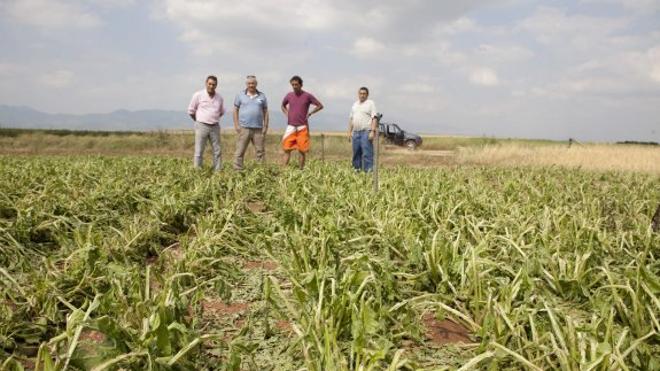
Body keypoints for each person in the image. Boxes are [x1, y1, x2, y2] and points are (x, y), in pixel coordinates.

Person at [281, 75, 323, 169]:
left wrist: (310, 113)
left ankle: (300, 170)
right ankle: (283, 170)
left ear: (301, 85)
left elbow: (320, 105)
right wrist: (287, 114)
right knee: (287, 149)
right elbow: (283, 105)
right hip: (290, 126)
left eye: (296, 84)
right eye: (293, 85)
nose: (294, 86)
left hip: (302, 127)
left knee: (302, 150)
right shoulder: (289, 95)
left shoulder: (307, 96)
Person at [187, 75, 226, 171]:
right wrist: (199, 120)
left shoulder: (219, 98)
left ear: (216, 85)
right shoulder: (198, 95)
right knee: (199, 150)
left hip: (215, 126)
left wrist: (213, 118)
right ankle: (197, 171)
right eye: (210, 84)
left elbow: (221, 112)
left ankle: (218, 171)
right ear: (206, 83)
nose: (211, 86)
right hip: (201, 125)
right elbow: (191, 111)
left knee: (217, 150)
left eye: (214, 84)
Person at [233, 75, 269, 170]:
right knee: (240, 151)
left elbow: (266, 111)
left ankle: (260, 171)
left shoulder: (262, 96)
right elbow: (235, 110)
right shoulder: (240, 95)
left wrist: (265, 126)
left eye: (253, 83)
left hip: (258, 129)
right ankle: (237, 171)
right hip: (244, 128)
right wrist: (236, 125)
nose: (251, 85)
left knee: (260, 152)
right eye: (249, 83)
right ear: (246, 84)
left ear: (256, 84)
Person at [348, 87, 378, 172]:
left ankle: (368, 172)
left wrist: (372, 131)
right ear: (358, 94)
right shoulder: (355, 105)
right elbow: (351, 119)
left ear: (367, 95)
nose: (362, 95)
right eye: (361, 93)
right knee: (356, 154)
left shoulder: (370, 103)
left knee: (367, 154)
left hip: (366, 132)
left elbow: (374, 118)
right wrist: (349, 132)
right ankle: (356, 171)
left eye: (364, 94)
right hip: (356, 132)